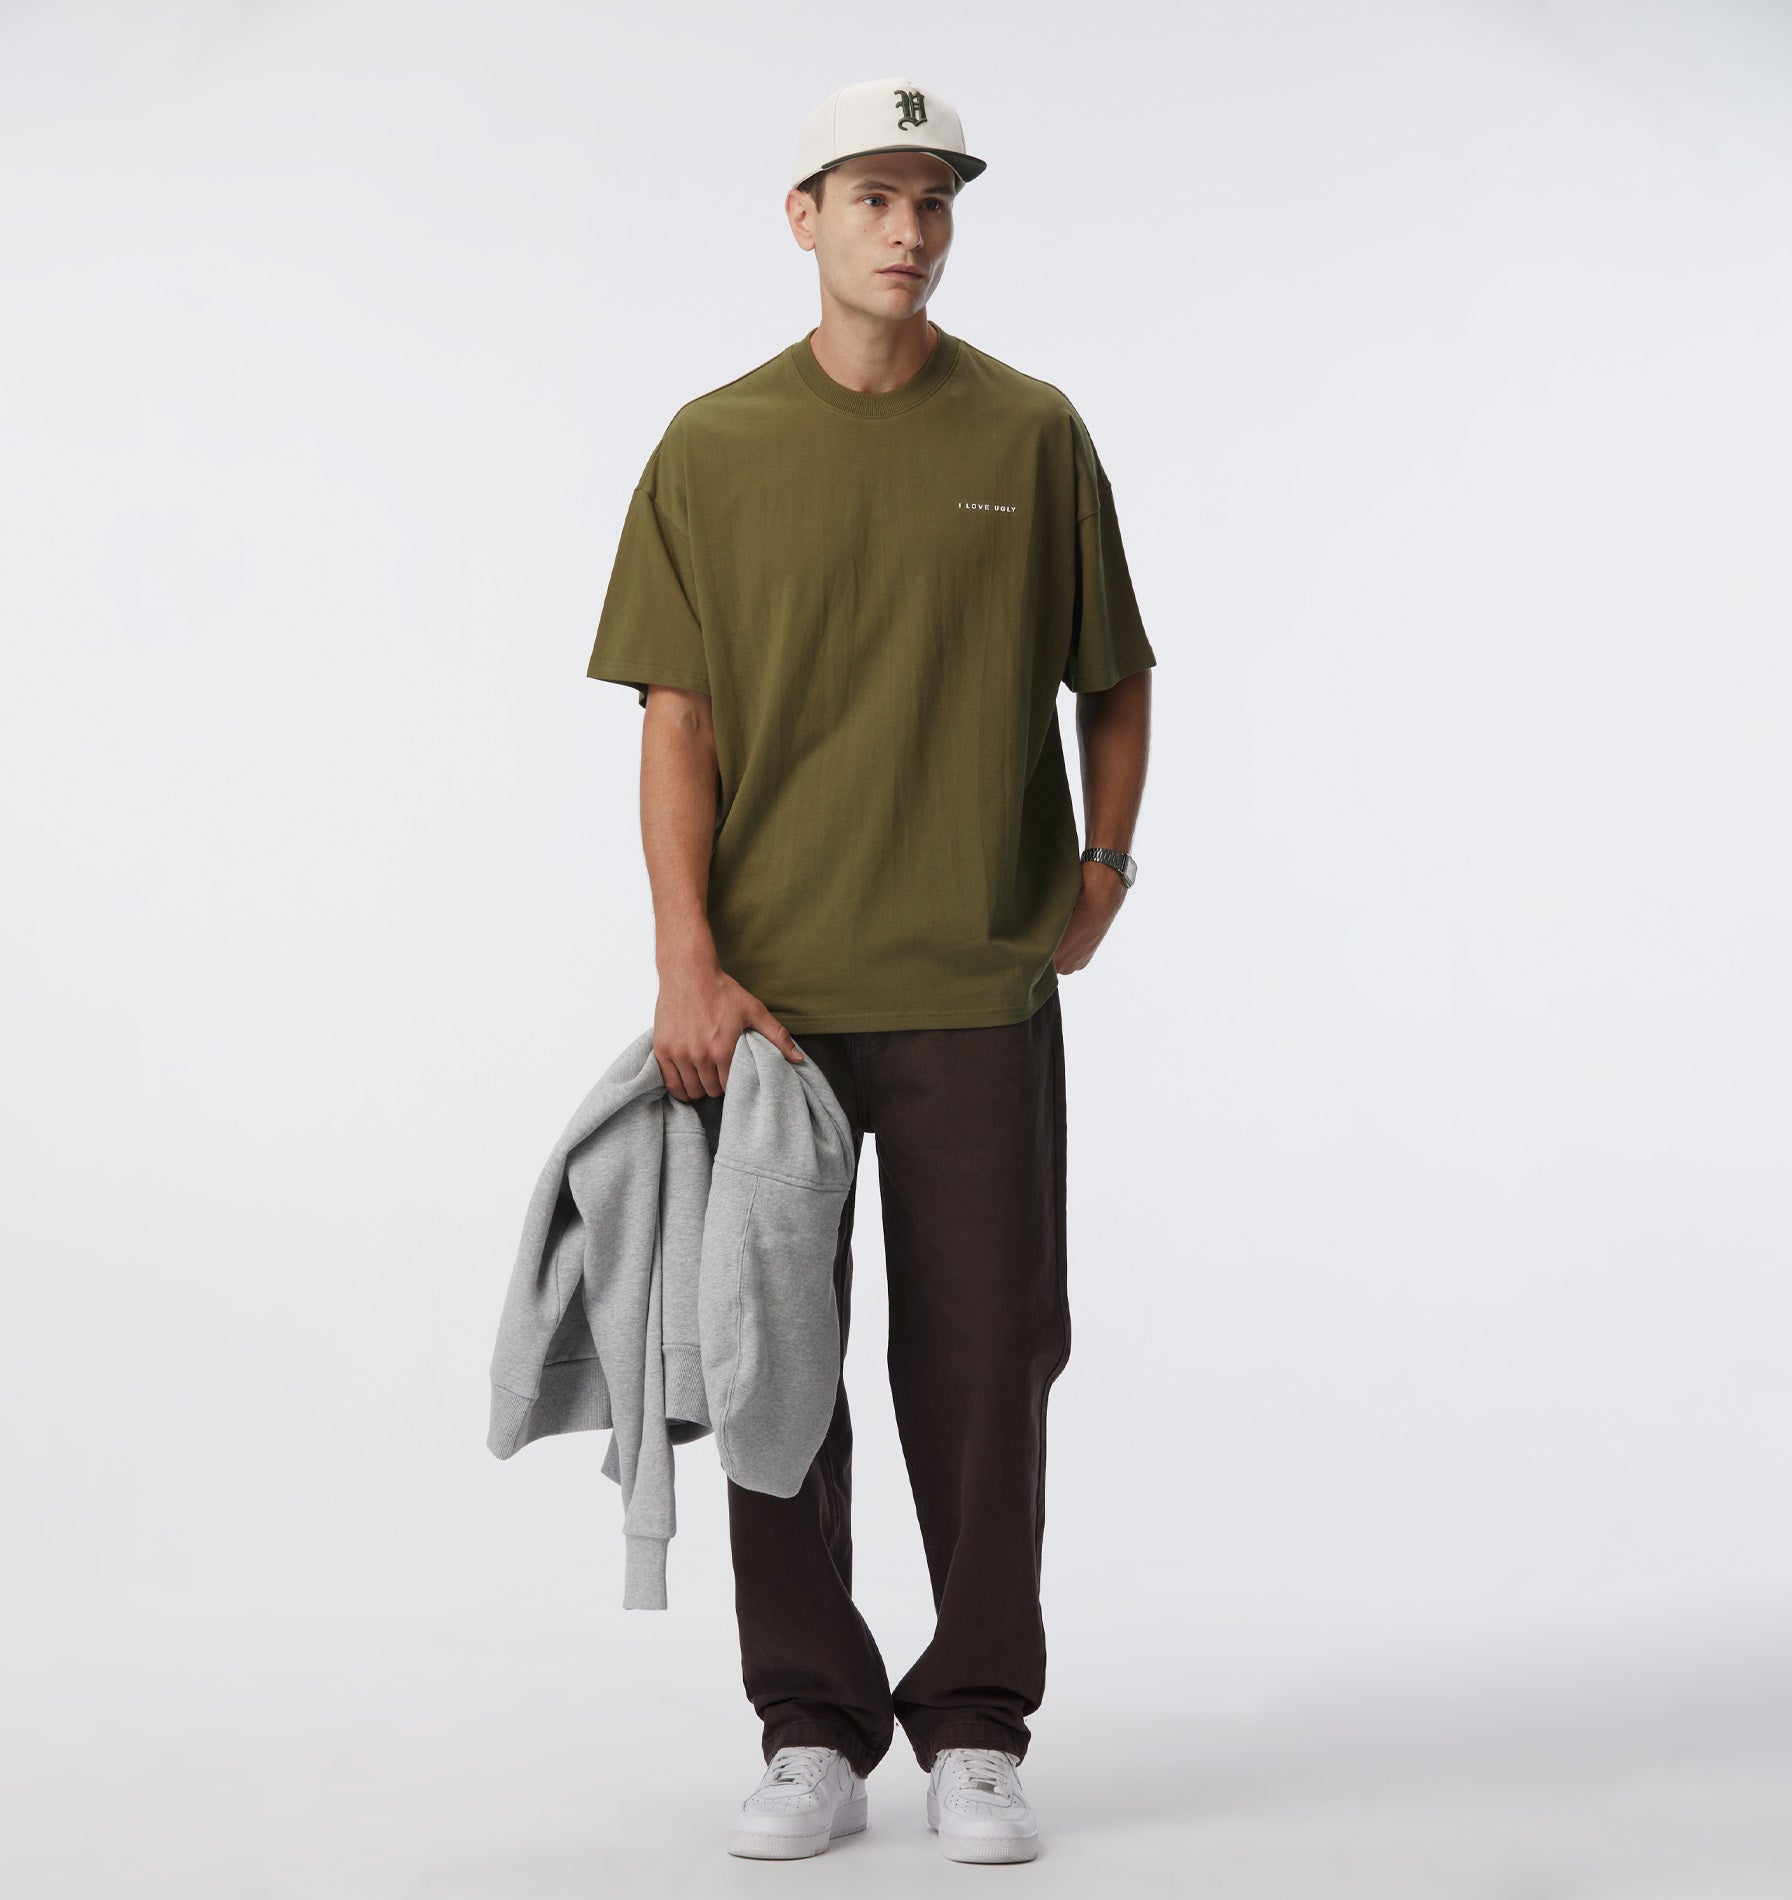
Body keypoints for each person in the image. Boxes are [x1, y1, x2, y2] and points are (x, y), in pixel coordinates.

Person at [584, 74, 1155, 1865]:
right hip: (773, 1011)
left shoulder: (1033, 433)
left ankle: (976, 1725)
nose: (909, 231)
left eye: (934, 201)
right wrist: (687, 960)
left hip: (980, 986)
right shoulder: (713, 446)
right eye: (874, 197)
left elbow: (1116, 674)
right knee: (775, 1367)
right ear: (805, 216)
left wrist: (1104, 869)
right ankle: (808, 1725)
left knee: (989, 1368)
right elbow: (677, 720)